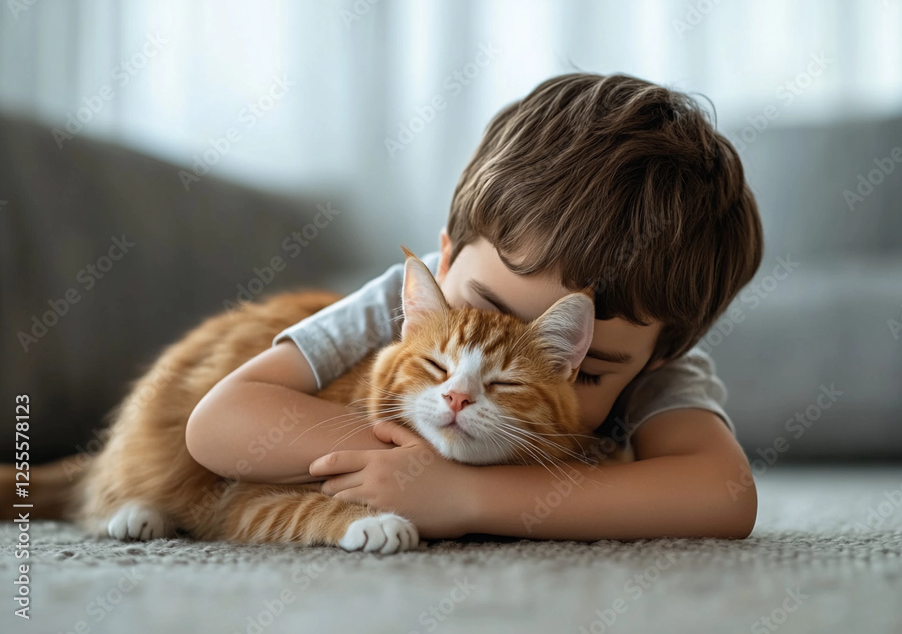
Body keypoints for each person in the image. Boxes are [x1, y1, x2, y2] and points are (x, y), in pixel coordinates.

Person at [186, 73, 764, 540]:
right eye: (484, 307)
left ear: (660, 357)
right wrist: (422, 455)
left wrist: (468, 496)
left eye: (581, 368)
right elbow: (218, 424)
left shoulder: (645, 358)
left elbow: (724, 494)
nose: (488, 367)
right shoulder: (411, 298)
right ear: (445, 260)